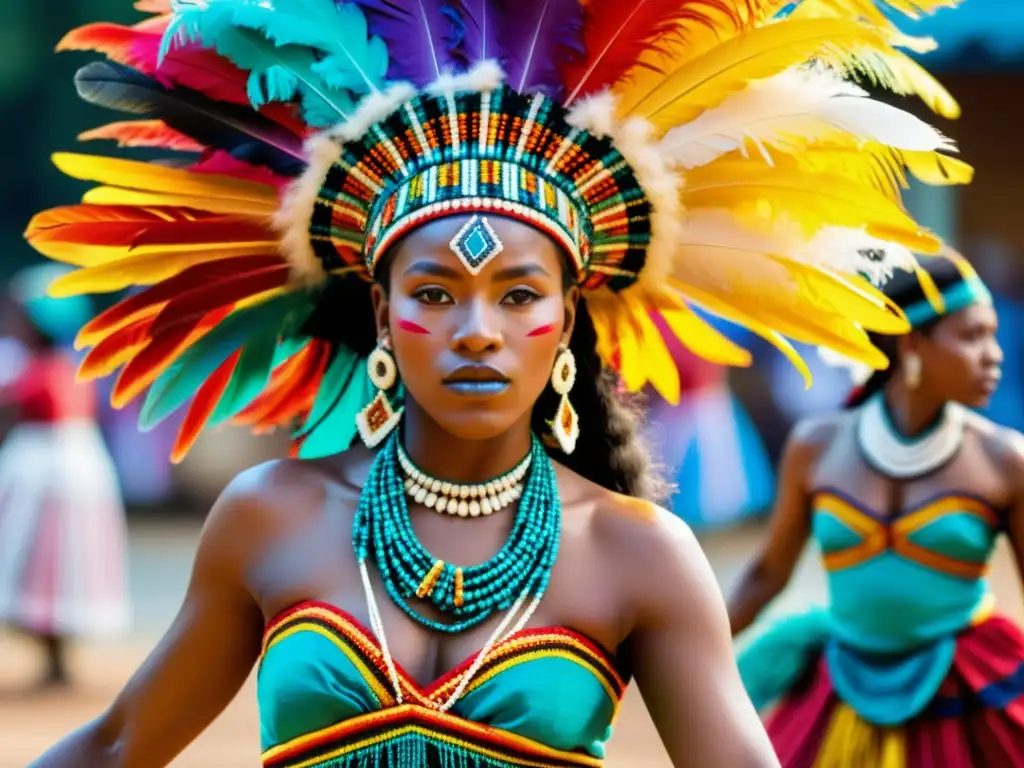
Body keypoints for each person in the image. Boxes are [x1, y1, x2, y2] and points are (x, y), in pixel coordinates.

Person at [25, 0, 968, 765]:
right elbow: (116, 746)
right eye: (434, 292)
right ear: (384, 316)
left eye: (519, 293)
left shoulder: (639, 554)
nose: (478, 331)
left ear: (567, 322)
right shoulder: (268, 515)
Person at [729, 253, 1024, 766]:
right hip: (840, 686)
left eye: (993, 335)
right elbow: (766, 576)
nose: (994, 355)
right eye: (972, 336)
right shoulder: (816, 447)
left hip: (966, 692)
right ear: (911, 344)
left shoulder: (1004, 461)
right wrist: (663, 653)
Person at [0, 263, 129, 689]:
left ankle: (55, 654)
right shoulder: (59, 368)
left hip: (48, 473)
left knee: (52, 562)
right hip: (63, 469)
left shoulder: (43, 372)